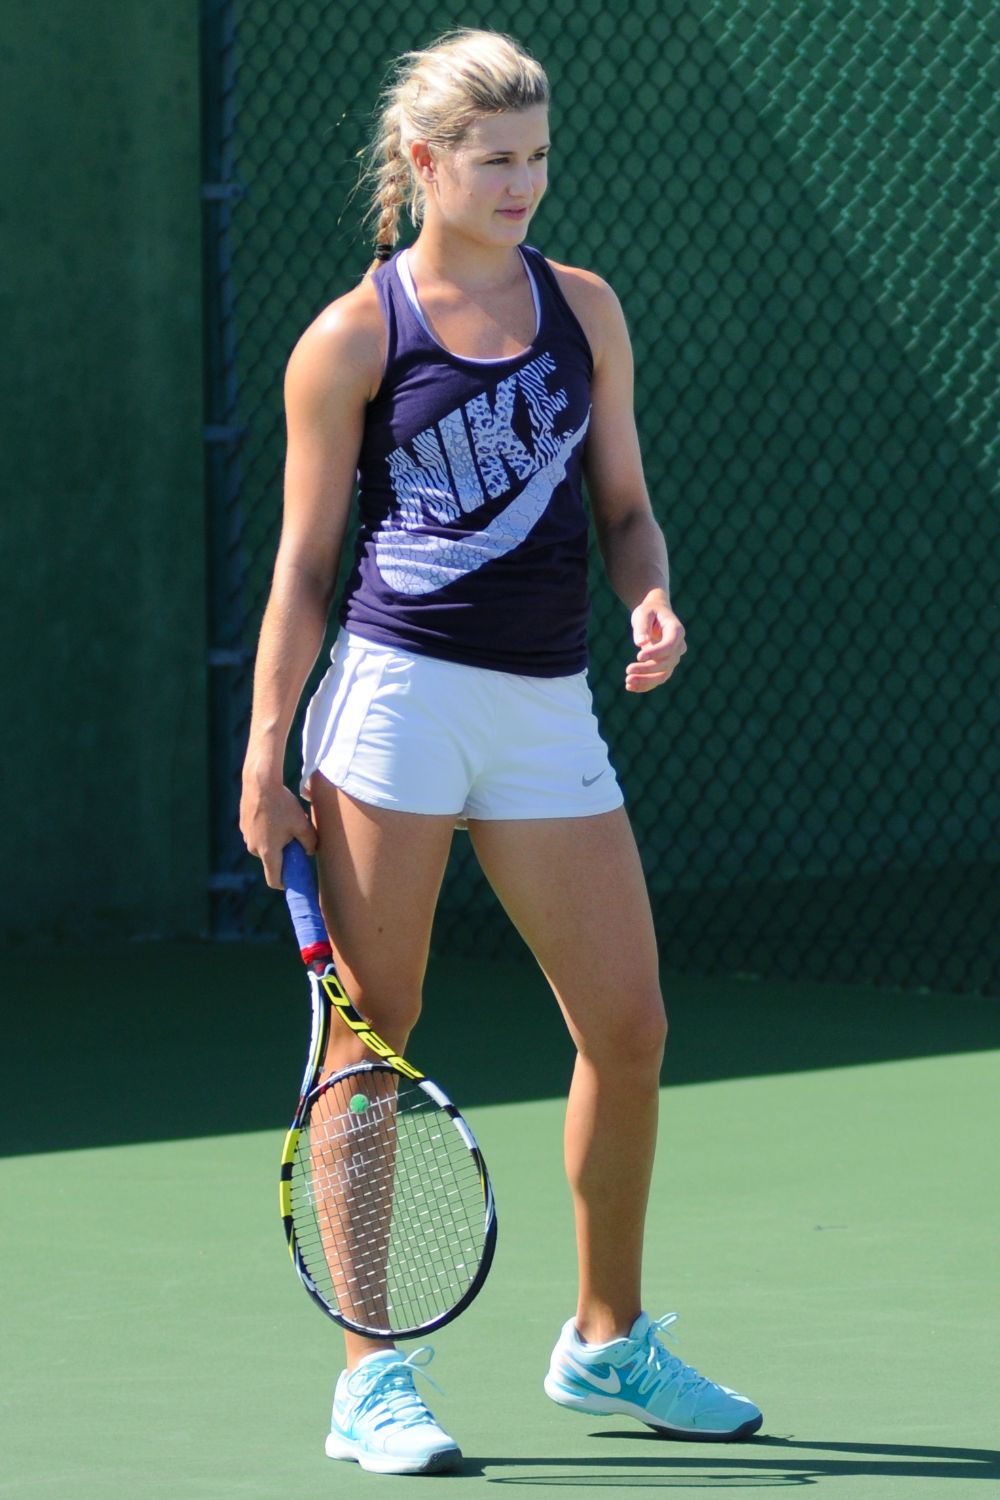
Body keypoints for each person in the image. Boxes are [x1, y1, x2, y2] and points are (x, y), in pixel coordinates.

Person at [240, 28, 762, 1476]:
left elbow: (626, 506)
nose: (524, 182)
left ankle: (607, 1341)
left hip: (545, 708)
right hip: (397, 700)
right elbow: (301, 566)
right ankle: (372, 1380)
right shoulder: (354, 338)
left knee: (632, 1027)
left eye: (537, 156)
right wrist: (266, 749)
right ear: (424, 166)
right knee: (370, 1035)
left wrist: (649, 590)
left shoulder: (582, 308)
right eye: (495, 160)